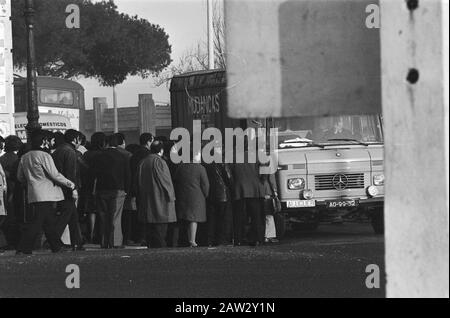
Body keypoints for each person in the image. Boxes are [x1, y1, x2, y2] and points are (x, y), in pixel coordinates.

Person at [16, 129, 75, 255]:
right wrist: (70, 184)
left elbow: (20, 177)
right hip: (47, 193)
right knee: (38, 221)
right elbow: (55, 175)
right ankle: (23, 247)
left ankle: (56, 246)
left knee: (48, 221)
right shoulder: (45, 156)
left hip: (34, 192)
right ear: (44, 142)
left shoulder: (25, 157)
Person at [93, 134, 130, 249]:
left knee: (103, 216)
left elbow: (93, 174)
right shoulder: (123, 156)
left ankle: (104, 242)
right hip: (118, 189)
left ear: (106, 143)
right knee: (115, 216)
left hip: (101, 189)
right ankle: (115, 242)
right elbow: (127, 174)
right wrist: (127, 189)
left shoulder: (98, 156)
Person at [137, 141, 176, 248]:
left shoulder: (143, 162)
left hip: (147, 201)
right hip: (160, 202)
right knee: (160, 232)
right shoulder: (159, 162)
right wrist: (172, 197)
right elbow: (166, 182)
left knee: (151, 232)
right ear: (161, 150)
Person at [52, 129, 84, 251]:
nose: (80, 143)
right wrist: (73, 188)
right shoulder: (70, 152)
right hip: (68, 188)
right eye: (79, 140)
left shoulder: (58, 151)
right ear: (75, 139)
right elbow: (71, 173)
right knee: (65, 216)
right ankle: (53, 240)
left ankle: (77, 242)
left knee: (72, 217)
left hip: (59, 188)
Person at [174, 148, 210, 247]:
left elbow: (176, 181)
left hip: (183, 196)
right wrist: (206, 195)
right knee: (194, 219)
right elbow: (205, 185)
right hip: (196, 197)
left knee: (186, 219)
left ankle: (188, 240)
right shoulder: (200, 168)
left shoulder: (180, 167)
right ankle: (192, 240)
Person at [231, 150, 264, 246]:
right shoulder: (257, 155)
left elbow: (230, 173)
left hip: (239, 189)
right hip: (254, 189)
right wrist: (261, 181)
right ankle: (257, 238)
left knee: (238, 217)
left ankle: (238, 239)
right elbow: (264, 171)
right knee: (256, 216)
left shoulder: (233, 156)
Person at [205, 143, 233, 246]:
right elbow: (228, 177)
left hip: (210, 194)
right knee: (222, 219)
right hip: (222, 194)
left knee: (212, 219)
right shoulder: (222, 161)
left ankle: (209, 240)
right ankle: (221, 240)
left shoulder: (206, 163)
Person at [82, 132, 107, 243]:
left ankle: (90, 234)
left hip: (87, 185)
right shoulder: (103, 154)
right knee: (101, 211)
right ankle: (99, 235)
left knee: (91, 211)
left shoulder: (87, 154)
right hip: (100, 185)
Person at [130, 133, 154, 245]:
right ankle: (144, 236)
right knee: (147, 212)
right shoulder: (149, 155)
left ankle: (138, 236)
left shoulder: (134, 154)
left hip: (136, 186)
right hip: (147, 187)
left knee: (138, 212)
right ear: (149, 141)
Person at [0, 136, 23, 249]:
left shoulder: (2, 158)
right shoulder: (16, 158)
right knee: (13, 218)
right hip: (12, 191)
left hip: (5, 191)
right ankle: (12, 242)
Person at [260, 173, 279, 244]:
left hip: (257, 191)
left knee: (260, 214)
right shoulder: (268, 165)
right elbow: (272, 180)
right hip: (267, 190)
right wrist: (275, 191)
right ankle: (269, 236)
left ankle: (262, 235)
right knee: (269, 215)